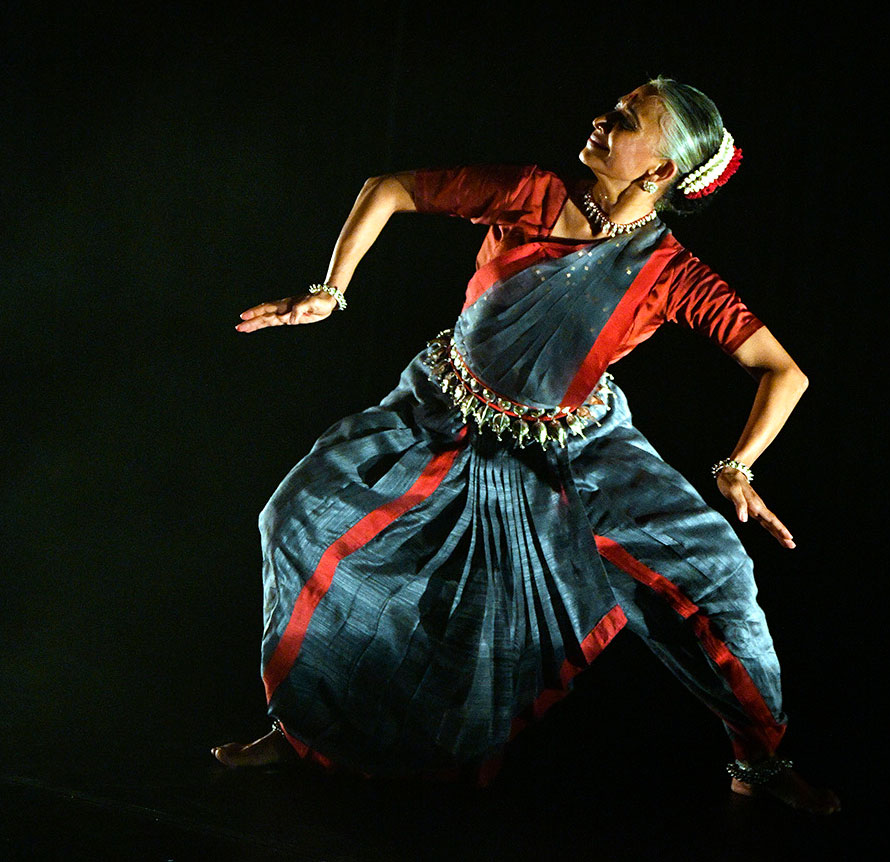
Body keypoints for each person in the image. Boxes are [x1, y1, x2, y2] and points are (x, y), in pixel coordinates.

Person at [212, 77, 840, 815]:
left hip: (571, 451)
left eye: (625, 121)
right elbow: (387, 188)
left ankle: (759, 764)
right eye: (610, 109)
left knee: (718, 574)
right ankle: (300, 729)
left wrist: (738, 467)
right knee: (300, 520)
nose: (601, 121)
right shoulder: (533, 195)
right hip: (439, 416)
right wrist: (331, 289)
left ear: (659, 171)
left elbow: (781, 370)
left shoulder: (670, 273)